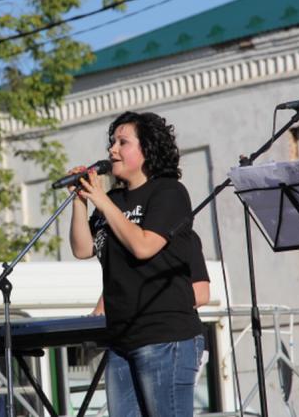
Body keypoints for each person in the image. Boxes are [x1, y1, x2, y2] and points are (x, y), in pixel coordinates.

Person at [69, 111, 204, 417]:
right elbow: (82, 248)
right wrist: (81, 201)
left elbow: (144, 246)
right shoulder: (114, 199)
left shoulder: (168, 192)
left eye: (122, 142)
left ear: (147, 149)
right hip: (120, 339)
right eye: (111, 142)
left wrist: (102, 201)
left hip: (164, 337)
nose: (112, 150)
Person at [92, 230, 211, 417]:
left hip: (169, 335)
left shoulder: (181, 236)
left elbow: (201, 293)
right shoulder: (125, 241)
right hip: (126, 340)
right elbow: (106, 304)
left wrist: (146, 306)